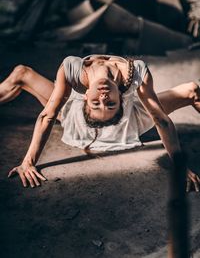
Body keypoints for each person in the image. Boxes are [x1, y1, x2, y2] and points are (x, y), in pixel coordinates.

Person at [1, 54, 200, 191]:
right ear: (120, 99)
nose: (103, 97)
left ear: (86, 97)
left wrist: (28, 162)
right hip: (110, 117)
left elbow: (160, 120)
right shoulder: (137, 70)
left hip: (111, 119)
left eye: (97, 103)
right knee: (191, 90)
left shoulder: (73, 69)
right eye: (109, 103)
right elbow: (160, 118)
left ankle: (95, 115)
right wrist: (27, 162)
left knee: (22, 74)